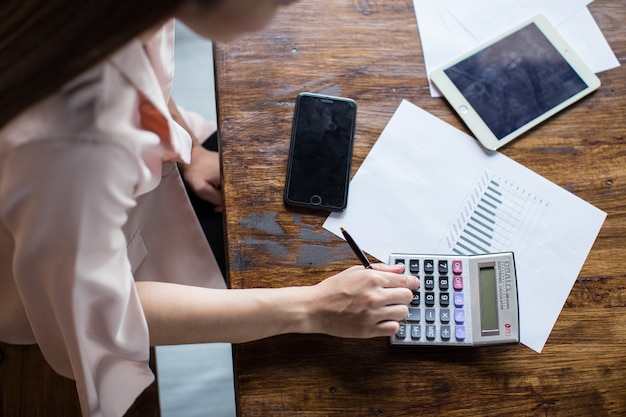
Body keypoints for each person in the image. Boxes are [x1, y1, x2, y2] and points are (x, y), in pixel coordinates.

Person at [0, 0, 420, 416]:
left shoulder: (133, 15)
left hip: (115, 203)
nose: (284, 14)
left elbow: (150, 82)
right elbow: (95, 314)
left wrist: (190, 148)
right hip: (55, 285)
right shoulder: (73, 145)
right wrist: (312, 308)